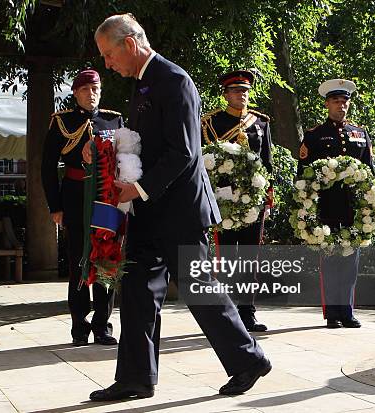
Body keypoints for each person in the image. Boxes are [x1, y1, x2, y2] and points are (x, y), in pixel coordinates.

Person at [87, 13, 271, 401]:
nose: (106, 63)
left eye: (108, 54)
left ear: (130, 44)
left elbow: (184, 153)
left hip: (179, 211)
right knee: (136, 291)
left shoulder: (175, 81)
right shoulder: (141, 86)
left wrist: (137, 189)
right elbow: (141, 142)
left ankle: (248, 359)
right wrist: (105, 146)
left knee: (199, 288)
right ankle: (136, 377)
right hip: (148, 211)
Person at [41, 69, 123, 346]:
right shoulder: (63, 121)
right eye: (86, 89)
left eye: (96, 88)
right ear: (76, 92)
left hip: (107, 198)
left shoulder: (113, 120)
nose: (92, 94)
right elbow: (47, 168)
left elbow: (125, 161)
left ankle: (103, 324)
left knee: (106, 259)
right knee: (78, 260)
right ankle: (79, 325)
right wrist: (56, 205)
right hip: (75, 197)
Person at [297, 78, 375, 329]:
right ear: (327, 104)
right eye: (336, 101)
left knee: (351, 259)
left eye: (345, 101)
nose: (341, 106)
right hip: (327, 206)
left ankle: (347, 310)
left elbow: (370, 173)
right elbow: (303, 175)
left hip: (354, 207)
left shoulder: (360, 134)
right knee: (330, 259)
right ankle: (332, 312)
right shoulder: (315, 135)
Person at [201, 70, 273, 332]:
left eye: (244, 91)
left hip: (254, 200)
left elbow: (267, 163)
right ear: (226, 94)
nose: (241, 95)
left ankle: (248, 312)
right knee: (228, 257)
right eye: (235, 91)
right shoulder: (211, 122)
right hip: (225, 200)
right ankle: (228, 311)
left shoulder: (261, 123)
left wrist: (268, 197)